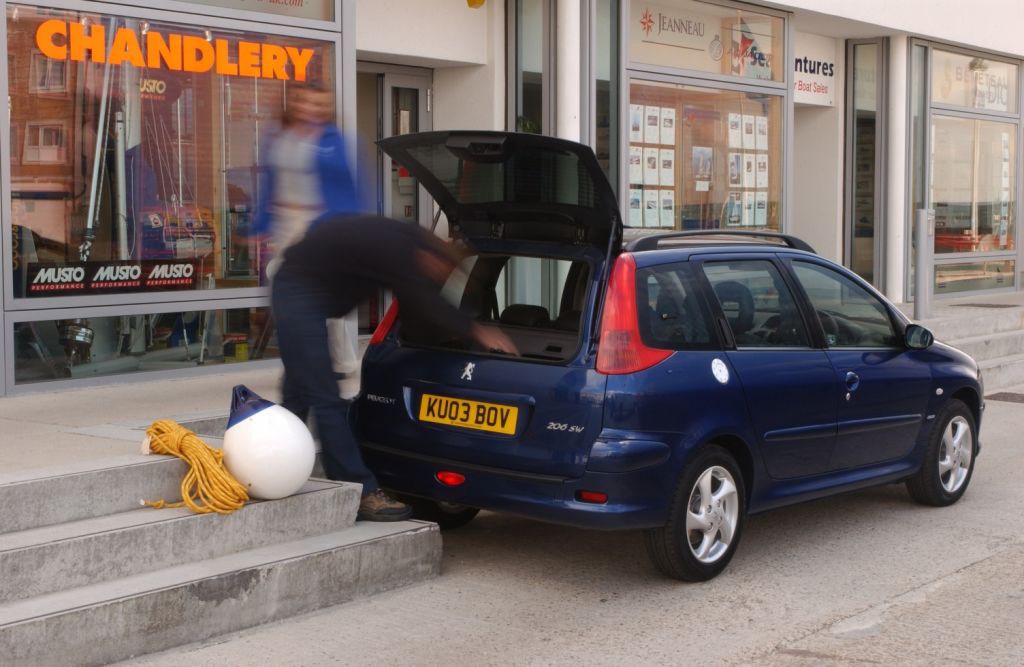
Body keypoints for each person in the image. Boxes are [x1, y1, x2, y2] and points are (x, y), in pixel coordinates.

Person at [273, 214, 518, 520]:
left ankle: (271, 467)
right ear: (431, 257)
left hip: (309, 296)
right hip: (297, 291)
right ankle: (361, 492)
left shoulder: (410, 245)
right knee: (325, 398)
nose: (438, 279)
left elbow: (417, 310)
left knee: (298, 395)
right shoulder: (401, 250)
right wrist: (477, 331)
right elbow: (425, 302)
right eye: (442, 274)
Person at [254, 83, 361, 386]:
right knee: (284, 290)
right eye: (308, 102)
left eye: (321, 103)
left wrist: (345, 228)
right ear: (296, 103)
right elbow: (269, 186)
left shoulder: (332, 140)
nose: (313, 109)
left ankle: (340, 361)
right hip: (286, 225)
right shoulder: (278, 137)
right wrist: (258, 226)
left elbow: (349, 190)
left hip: (320, 224)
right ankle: (300, 360)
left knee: (323, 296)